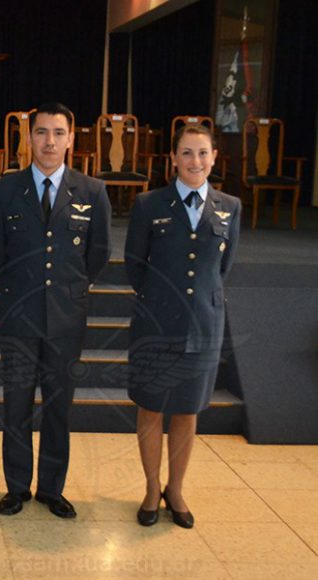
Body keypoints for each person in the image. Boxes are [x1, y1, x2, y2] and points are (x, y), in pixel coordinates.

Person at [0, 102, 112, 519]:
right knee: (16, 404)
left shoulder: (92, 191)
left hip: (66, 319)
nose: (50, 141)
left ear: (71, 138)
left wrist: (65, 292)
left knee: (59, 407)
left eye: (59, 132)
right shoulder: (4, 190)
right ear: (29, 137)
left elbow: (98, 254)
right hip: (18, 316)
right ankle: (16, 487)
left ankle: (52, 489)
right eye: (41, 132)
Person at [125, 124, 241, 529]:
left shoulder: (230, 206)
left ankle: (176, 489)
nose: (196, 161)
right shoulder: (148, 204)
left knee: (188, 411)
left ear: (213, 158)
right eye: (187, 153)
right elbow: (135, 267)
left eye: (203, 153)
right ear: (173, 159)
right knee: (152, 408)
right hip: (156, 324)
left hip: (203, 325)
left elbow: (221, 270)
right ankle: (151, 487)